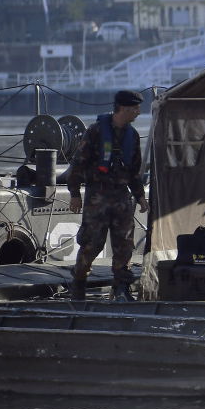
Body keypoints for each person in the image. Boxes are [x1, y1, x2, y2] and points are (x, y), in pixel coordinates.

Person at [67, 90, 149, 301]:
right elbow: (78, 163)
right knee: (92, 242)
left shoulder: (133, 136)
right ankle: (79, 282)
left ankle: (121, 287)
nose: (138, 112)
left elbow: (134, 171)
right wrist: (74, 193)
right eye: (135, 108)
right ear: (123, 108)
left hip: (122, 197)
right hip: (98, 196)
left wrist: (140, 196)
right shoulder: (95, 132)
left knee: (124, 244)